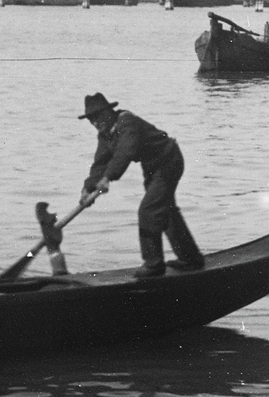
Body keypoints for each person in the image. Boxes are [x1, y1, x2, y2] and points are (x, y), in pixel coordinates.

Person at [78, 92, 205, 277]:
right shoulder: (105, 134)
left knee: (149, 211)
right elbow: (100, 162)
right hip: (153, 167)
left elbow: (125, 151)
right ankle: (191, 259)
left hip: (169, 160)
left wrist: (108, 177)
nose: (96, 123)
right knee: (164, 211)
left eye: (98, 117)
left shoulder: (126, 123)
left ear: (108, 112)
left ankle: (153, 265)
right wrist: (87, 188)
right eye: (92, 120)